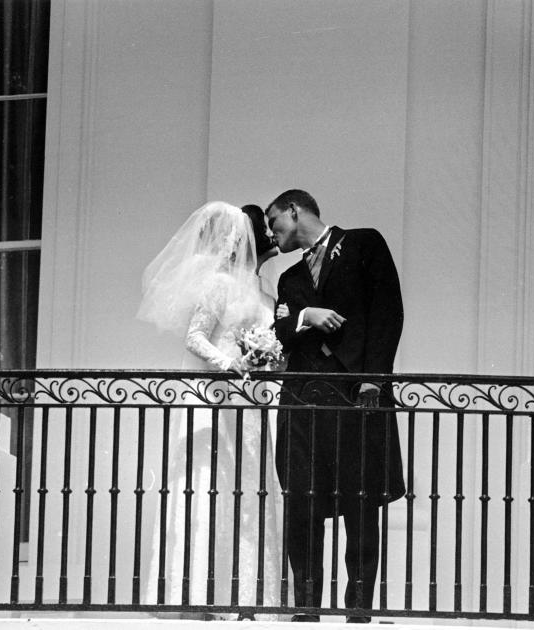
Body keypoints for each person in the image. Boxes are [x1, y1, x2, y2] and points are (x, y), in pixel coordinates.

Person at [266, 189, 406, 622]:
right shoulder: (289, 279)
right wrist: (307, 316)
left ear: (295, 209)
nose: (273, 234)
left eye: (275, 222)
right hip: (303, 403)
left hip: (355, 396)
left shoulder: (363, 243)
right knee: (302, 502)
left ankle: (358, 609)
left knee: (360, 502)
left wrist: (373, 381)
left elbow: (388, 312)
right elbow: (280, 331)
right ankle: (307, 605)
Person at [137, 201, 282, 616]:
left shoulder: (267, 294)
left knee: (250, 491)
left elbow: (270, 342)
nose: (269, 240)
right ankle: (201, 595)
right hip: (216, 401)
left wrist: (268, 355)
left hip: (252, 406)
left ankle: (250, 599)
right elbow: (196, 337)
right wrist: (230, 362)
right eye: (262, 234)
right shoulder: (218, 284)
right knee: (211, 487)